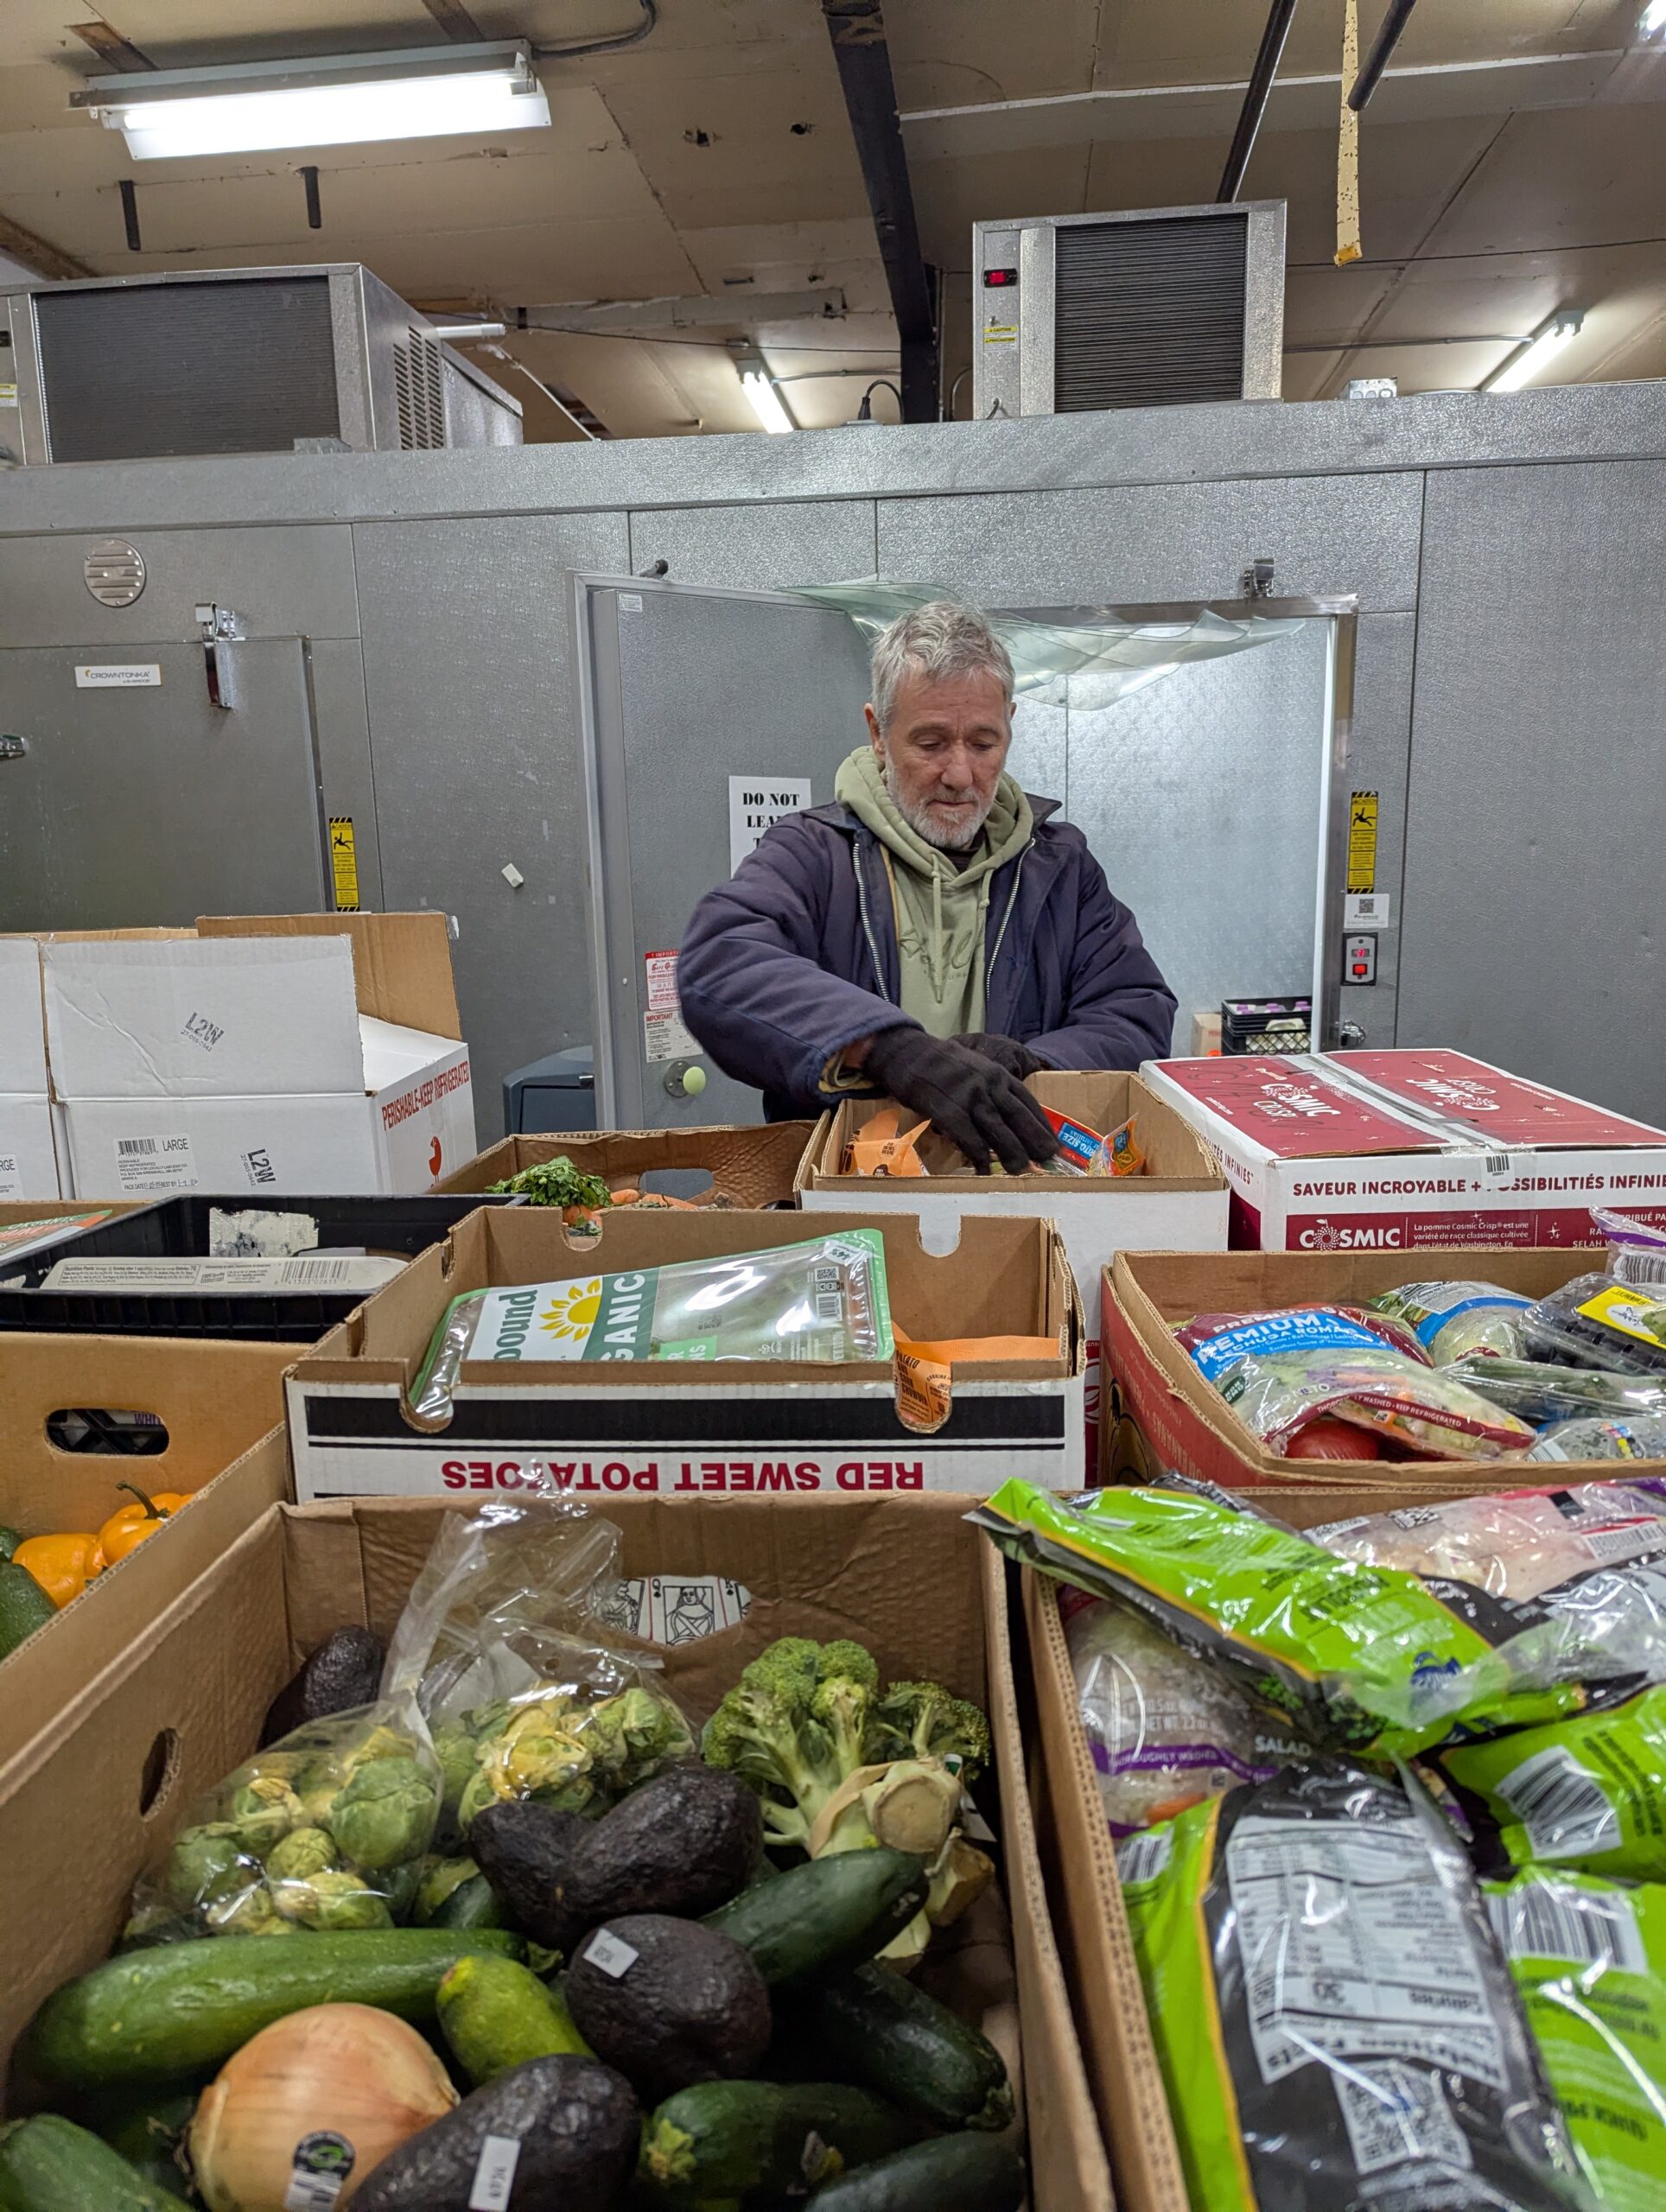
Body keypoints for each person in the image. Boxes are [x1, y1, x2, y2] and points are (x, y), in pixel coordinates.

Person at [677, 601, 1176, 1173]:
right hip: (852, 1201)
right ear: (878, 733)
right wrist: (884, 1048)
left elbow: (1135, 1013)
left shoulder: (1060, 868)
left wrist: (1030, 1062)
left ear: (1009, 724)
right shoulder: (813, 855)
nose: (960, 774)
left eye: (984, 744)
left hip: (1022, 1195)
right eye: (932, 743)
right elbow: (718, 963)